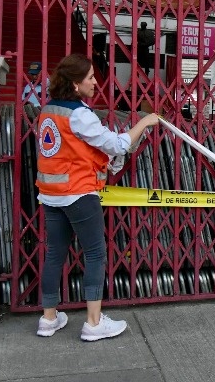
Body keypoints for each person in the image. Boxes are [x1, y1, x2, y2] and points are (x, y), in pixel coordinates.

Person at [34, 54, 161, 340]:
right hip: (78, 193)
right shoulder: (79, 114)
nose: (95, 82)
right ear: (76, 84)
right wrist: (144, 122)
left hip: (51, 194)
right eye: (90, 77)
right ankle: (93, 323)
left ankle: (48, 318)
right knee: (95, 253)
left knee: (55, 253)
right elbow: (117, 144)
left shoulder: (48, 110)